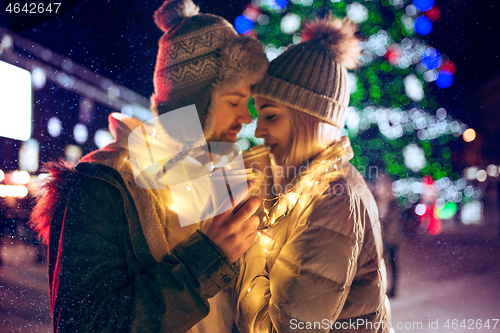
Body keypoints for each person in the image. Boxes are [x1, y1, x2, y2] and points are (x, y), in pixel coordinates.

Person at [29, 0, 268, 331]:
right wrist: (204, 258)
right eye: (234, 101)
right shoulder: (102, 184)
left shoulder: (218, 178)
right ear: (195, 100)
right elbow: (83, 325)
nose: (246, 118)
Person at [229, 16, 391, 332]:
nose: (258, 130)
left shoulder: (334, 201)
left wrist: (242, 245)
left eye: (271, 116)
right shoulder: (296, 180)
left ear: (311, 118)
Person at [373, 171, 403, 298]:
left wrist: (389, 237)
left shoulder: (392, 203)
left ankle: (393, 289)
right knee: (380, 264)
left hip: (391, 239)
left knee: (392, 263)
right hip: (382, 238)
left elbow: (395, 222)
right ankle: (381, 288)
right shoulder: (376, 201)